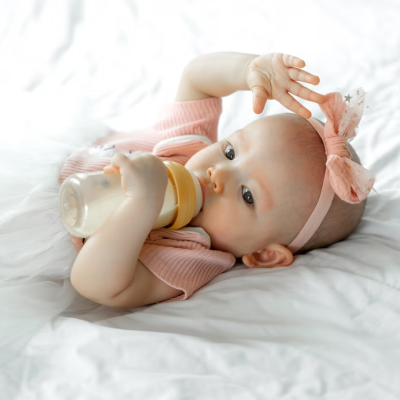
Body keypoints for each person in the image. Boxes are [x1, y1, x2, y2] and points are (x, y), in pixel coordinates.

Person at [0, 52, 375, 365]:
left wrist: (142, 204)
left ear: (263, 254)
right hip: (31, 167)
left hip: (27, 230)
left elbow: (95, 285)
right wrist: (248, 69)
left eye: (247, 195)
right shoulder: (189, 146)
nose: (218, 172)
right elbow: (197, 79)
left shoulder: (192, 255)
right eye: (231, 151)